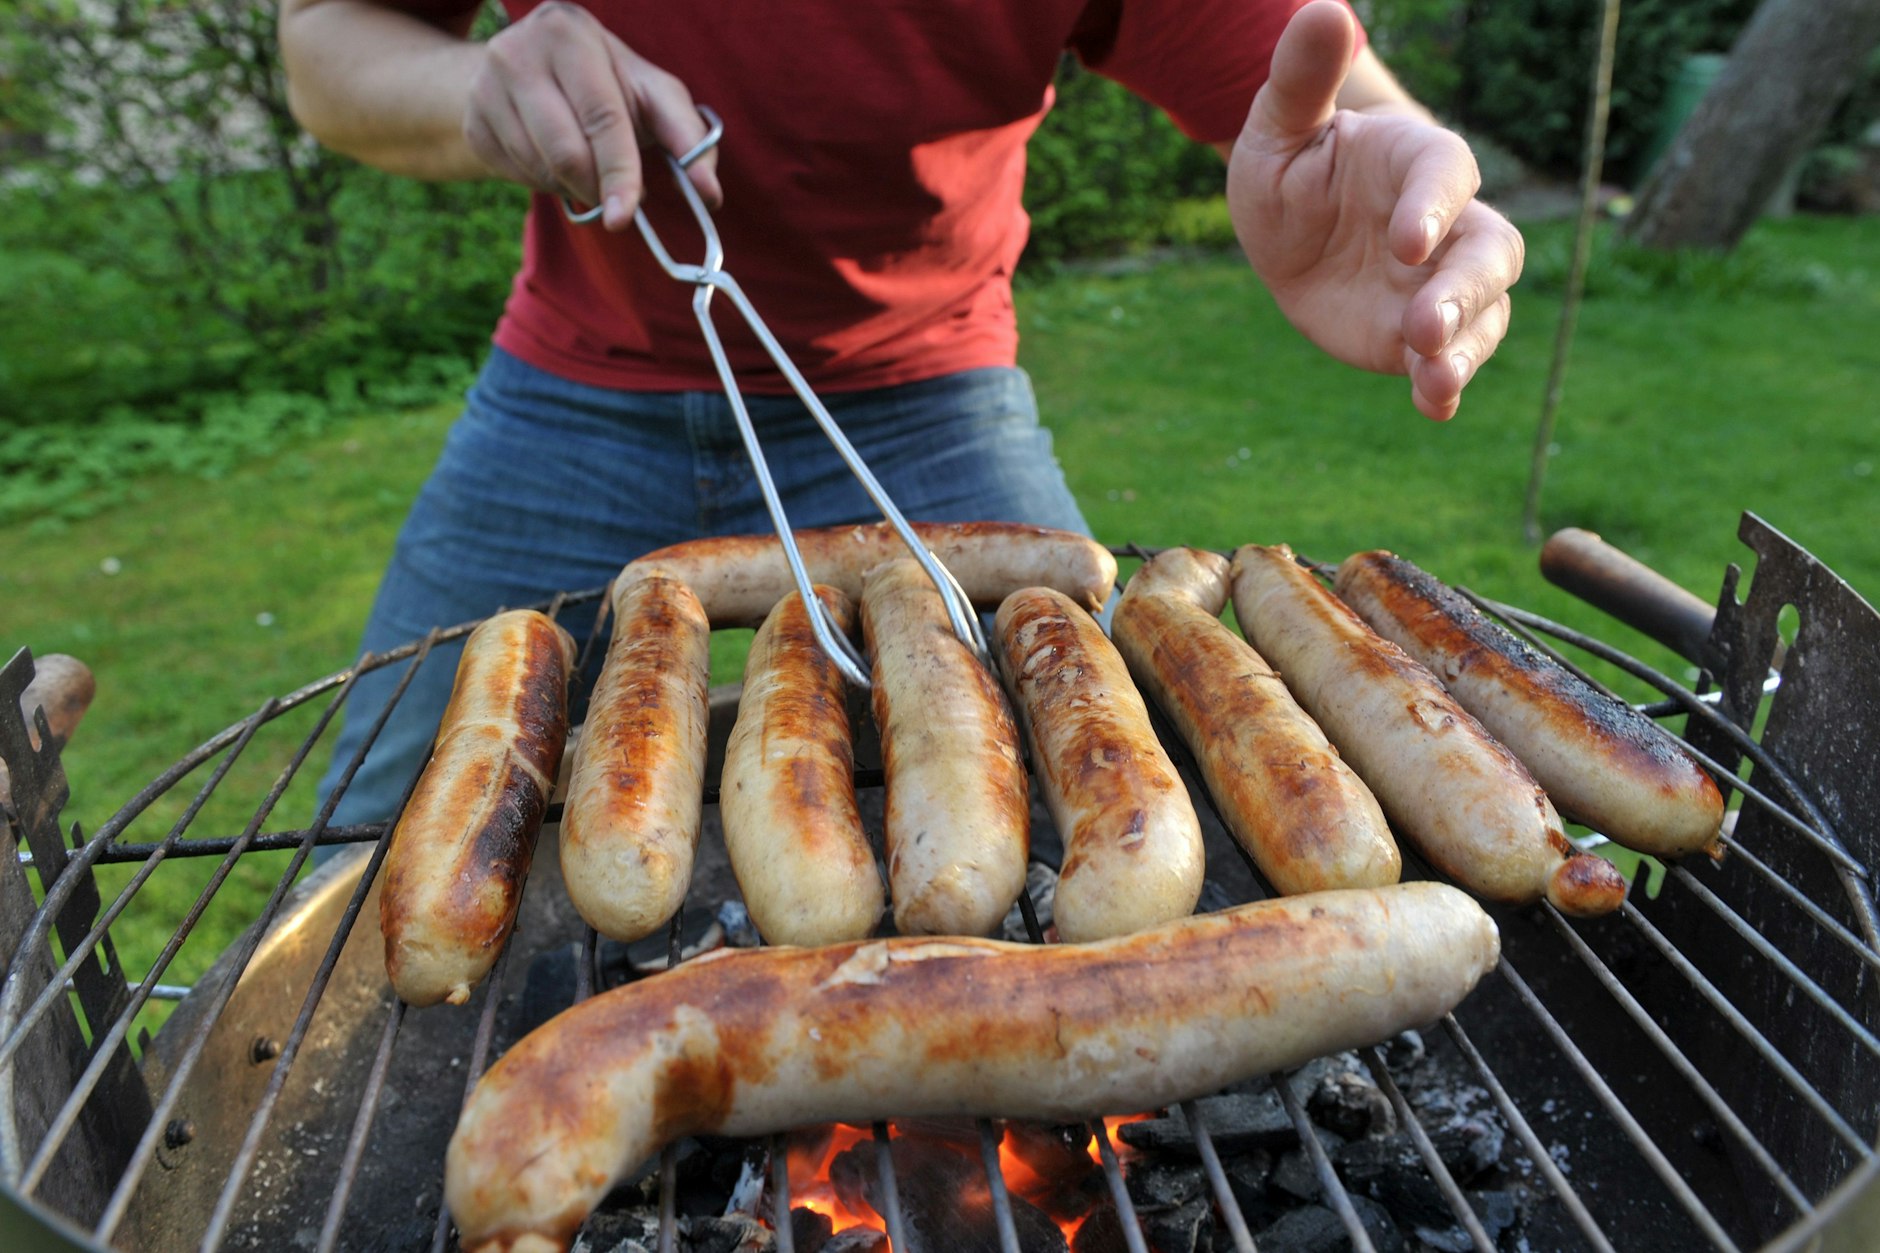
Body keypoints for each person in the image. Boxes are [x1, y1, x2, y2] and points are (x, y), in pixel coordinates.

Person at [277, 0, 1524, 829]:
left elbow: (1315, 81)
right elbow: (328, 46)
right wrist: (474, 87)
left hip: (928, 397)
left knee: (1118, 789)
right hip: (567, 397)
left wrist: (1398, 185)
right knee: (367, 830)